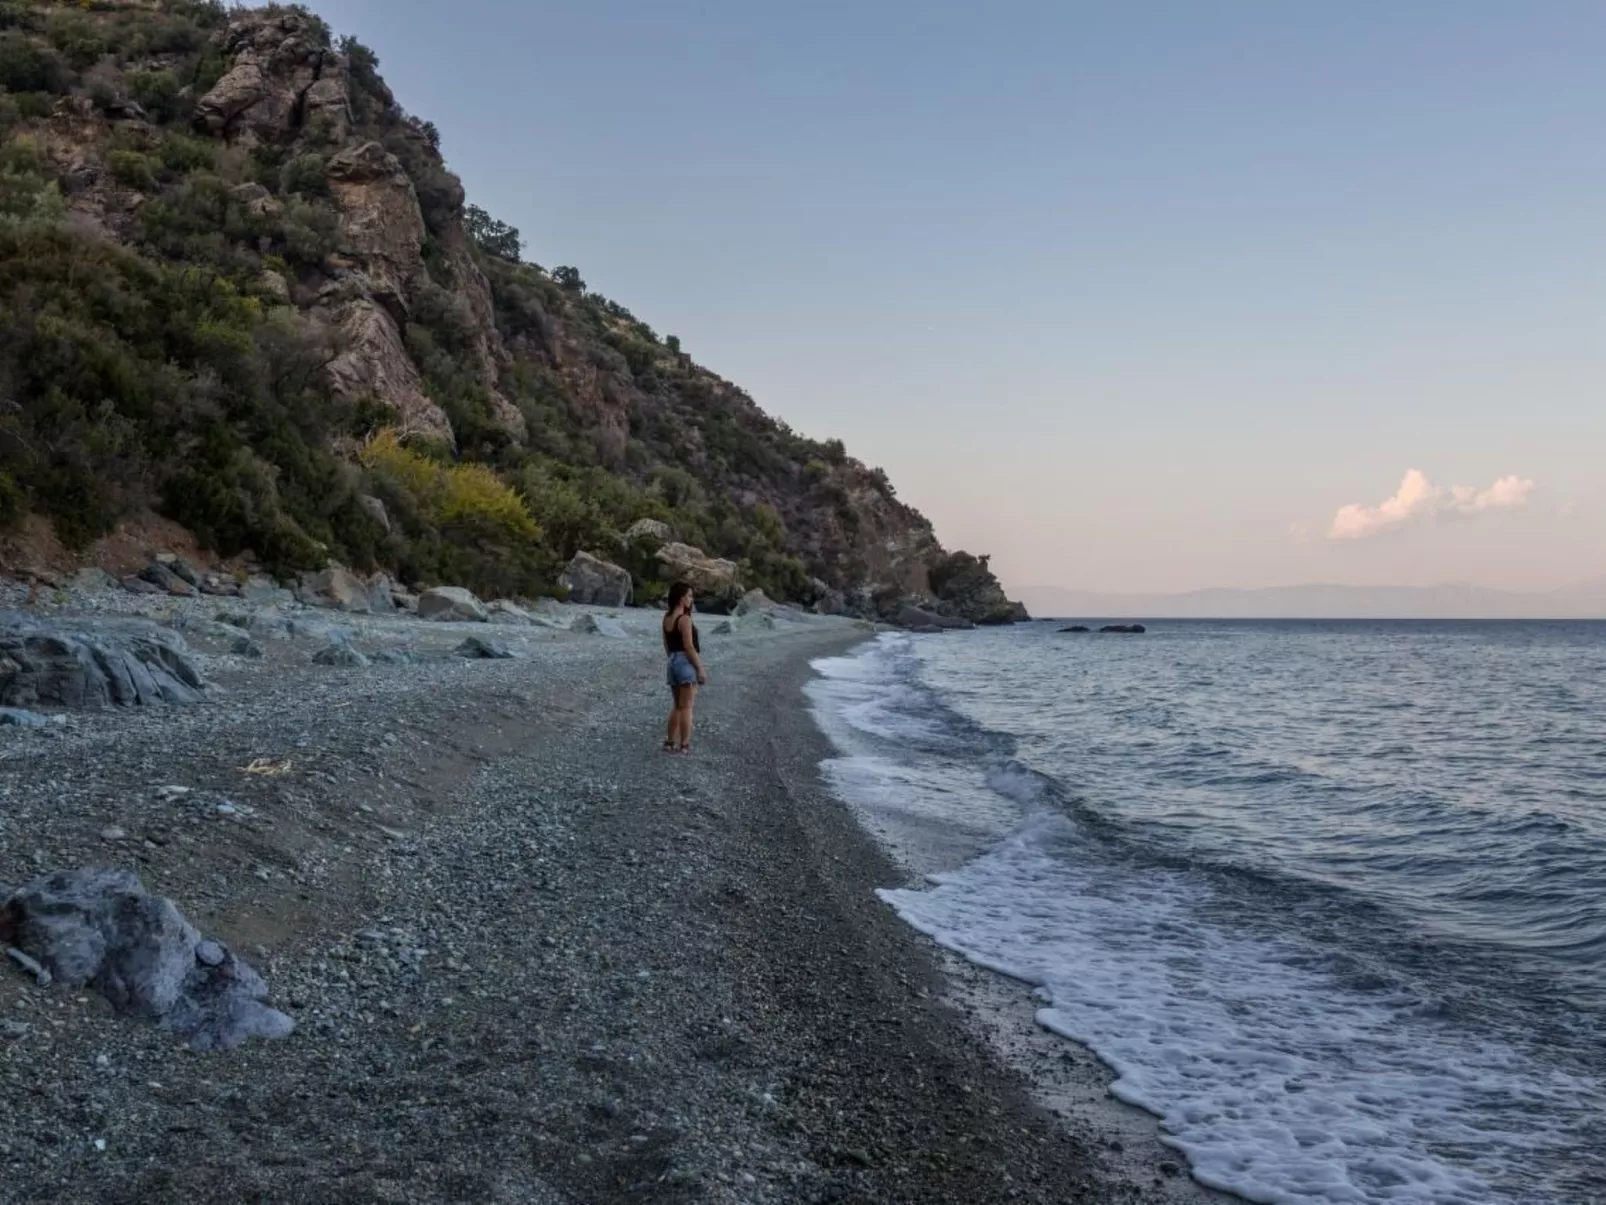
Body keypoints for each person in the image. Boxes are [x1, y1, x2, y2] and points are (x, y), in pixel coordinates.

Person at [662, 581, 707, 753]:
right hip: (685, 662)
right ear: (681, 598)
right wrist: (700, 668)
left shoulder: (666, 618)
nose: (691, 599)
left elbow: (666, 644)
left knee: (677, 706)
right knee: (687, 706)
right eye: (689, 595)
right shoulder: (685, 619)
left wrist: (673, 660)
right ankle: (684, 745)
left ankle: (670, 742)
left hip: (672, 661)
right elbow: (689, 646)